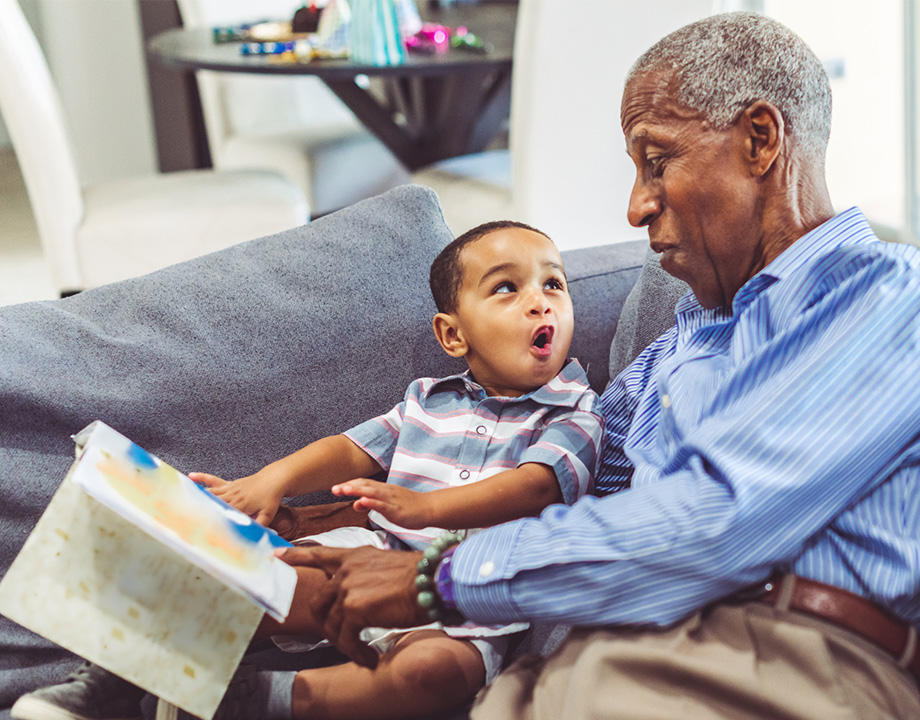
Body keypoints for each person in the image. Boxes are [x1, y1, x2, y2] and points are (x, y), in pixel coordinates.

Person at [275, 11, 920, 719]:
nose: (636, 206)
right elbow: (543, 481)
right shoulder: (672, 352)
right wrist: (348, 536)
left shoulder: (887, 295)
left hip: (780, 657)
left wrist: (432, 577)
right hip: (600, 651)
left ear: (760, 141)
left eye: (656, 161)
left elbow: (710, 524)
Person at [10, 221, 603, 720]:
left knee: (435, 672)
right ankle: (117, 679)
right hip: (370, 553)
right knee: (270, 576)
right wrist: (273, 480)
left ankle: (253, 698)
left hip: (472, 596)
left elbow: (536, 486)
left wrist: (427, 509)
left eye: (555, 282)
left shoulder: (576, 412)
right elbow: (349, 449)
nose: (540, 299)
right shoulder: (429, 399)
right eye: (507, 288)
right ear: (453, 334)